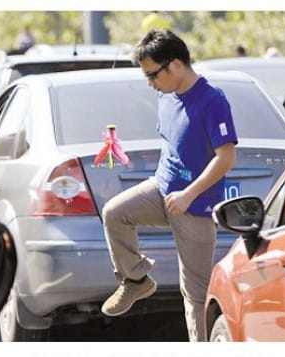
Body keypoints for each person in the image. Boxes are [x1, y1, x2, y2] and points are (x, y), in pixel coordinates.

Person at [100, 29, 238, 342]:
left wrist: (189, 194)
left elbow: (226, 158)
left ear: (174, 64)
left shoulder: (212, 99)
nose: (150, 83)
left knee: (195, 294)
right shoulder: (166, 96)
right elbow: (173, 146)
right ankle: (135, 280)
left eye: (152, 75)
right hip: (162, 191)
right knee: (115, 213)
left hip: (195, 206)